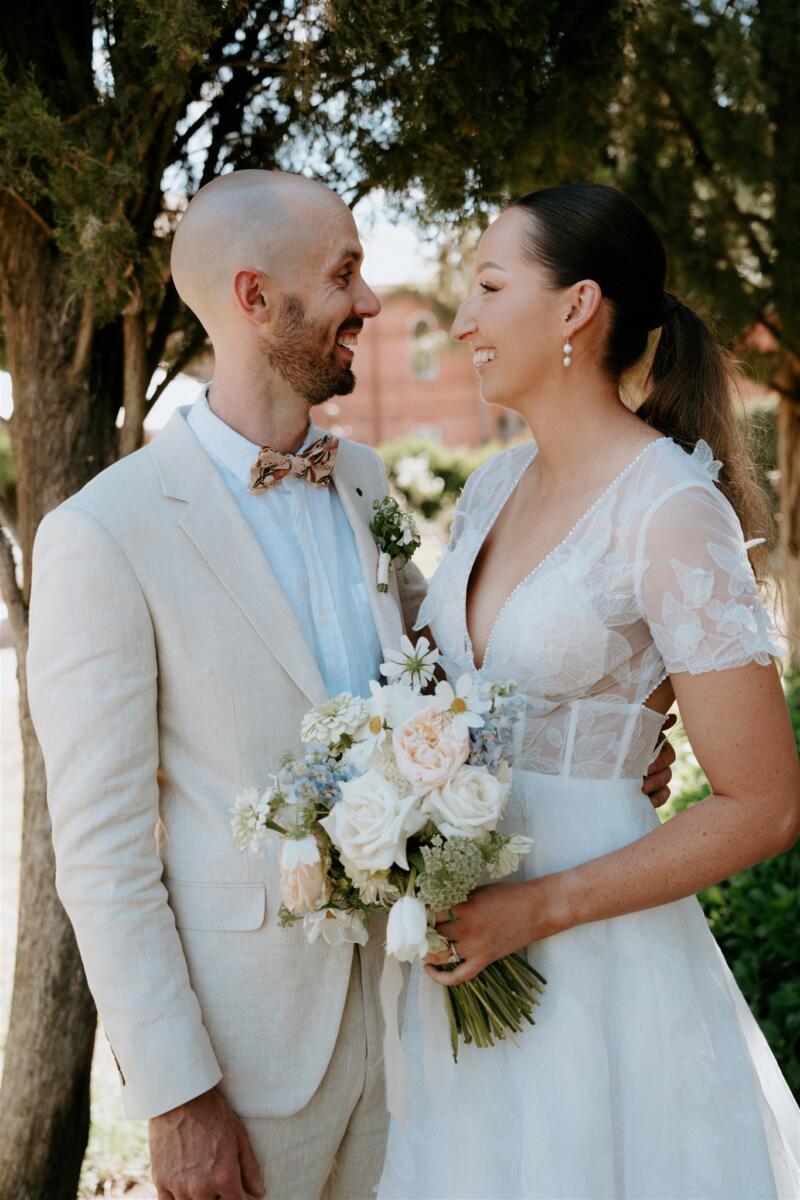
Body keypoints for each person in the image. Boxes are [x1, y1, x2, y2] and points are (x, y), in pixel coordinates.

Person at [26, 170, 674, 1200]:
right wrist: (177, 1097)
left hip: (426, 1031)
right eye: (344, 274)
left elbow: (448, 676)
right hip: (248, 1071)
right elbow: (100, 856)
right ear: (252, 298)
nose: (370, 302)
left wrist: (587, 752)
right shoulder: (103, 535)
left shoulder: (365, 479)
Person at [378, 182, 800, 1200]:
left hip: (598, 955)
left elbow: (765, 804)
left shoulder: (668, 508)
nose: (464, 320)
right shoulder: (487, 489)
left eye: (486, 285)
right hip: (462, 955)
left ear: (575, 307)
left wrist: (536, 909)